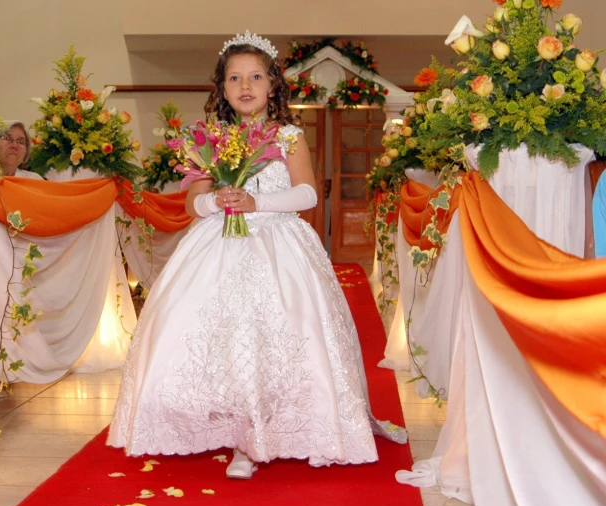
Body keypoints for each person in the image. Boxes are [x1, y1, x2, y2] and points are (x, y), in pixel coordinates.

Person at [106, 31, 406, 479]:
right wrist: (216, 202)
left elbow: (306, 194)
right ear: (223, 89)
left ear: (272, 85)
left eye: (255, 76)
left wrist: (257, 202)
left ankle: (276, 429)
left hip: (279, 245)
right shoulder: (209, 137)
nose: (245, 86)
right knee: (224, 336)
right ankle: (238, 432)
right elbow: (192, 202)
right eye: (234, 78)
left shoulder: (287, 137)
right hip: (218, 247)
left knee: (276, 334)